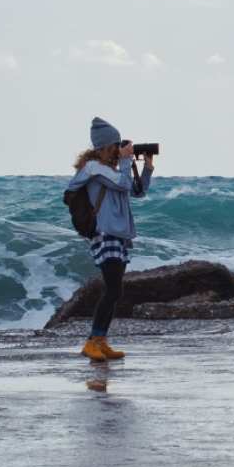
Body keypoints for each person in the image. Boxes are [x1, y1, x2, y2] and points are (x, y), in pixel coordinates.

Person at [67, 116, 154, 362]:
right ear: (105, 146)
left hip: (118, 234)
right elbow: (124, 184)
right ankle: (92, 341)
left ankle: (101, 340)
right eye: (116, 145)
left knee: (115, 290)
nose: (120, 149)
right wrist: (127, 160)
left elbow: (137, 191)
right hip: (105, 233)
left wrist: (146, 168)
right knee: (113, 288)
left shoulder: (111, 171)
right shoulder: (94, 169)